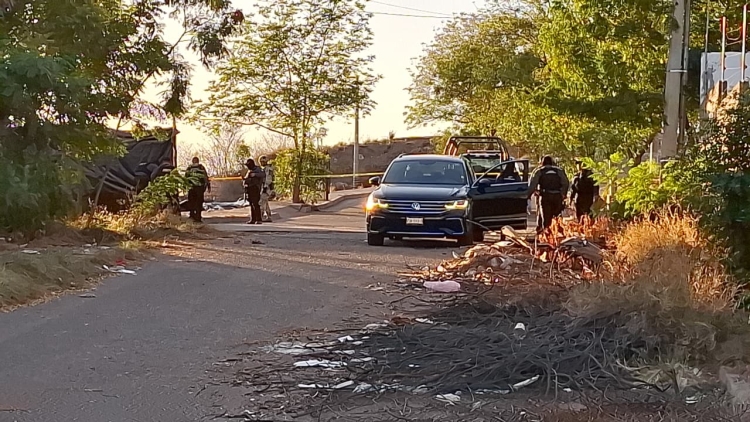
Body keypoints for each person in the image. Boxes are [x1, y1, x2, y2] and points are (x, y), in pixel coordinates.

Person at [528, 156, 569, 233]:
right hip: (557, 197)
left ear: (542, 163)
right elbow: (566, 183)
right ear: (551, 163)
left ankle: (547, 235)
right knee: (557, 218)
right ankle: (557, 234)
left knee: (546, 218)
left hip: (545, 197)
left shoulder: (539, 171)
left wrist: (529, 196)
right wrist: (563, 194)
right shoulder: (559, 171)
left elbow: (532, 185)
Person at [186, 157, 210, 222]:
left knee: (191, 202)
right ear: (198, 161)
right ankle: (198, 217)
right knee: (199, 203)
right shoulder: (201, 168)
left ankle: (192, 215)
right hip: (199, 188)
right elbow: (205, 177)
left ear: (192, 161)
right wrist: (208, 186)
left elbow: (186, 178)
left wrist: (186, 187)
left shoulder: (189, 168)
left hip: (191, 188)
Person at [243, 158, 265, 224]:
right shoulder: (249, 171)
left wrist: (255, 174)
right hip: (249, 189)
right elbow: (246, 178)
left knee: (256, 204)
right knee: (251, 204)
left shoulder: (257, 169)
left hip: (255, 189)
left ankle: (258, 219)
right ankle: (253, 219)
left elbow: (263, 174)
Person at [258, 155, 275, 222]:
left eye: (262, 162)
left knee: (262, 202)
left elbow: (268, 179)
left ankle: (261, 216)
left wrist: (265, 187)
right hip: (264, 187)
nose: (261, 163)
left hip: (266, 188)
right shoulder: (265, 169)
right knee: (265, 202)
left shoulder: (268, 169)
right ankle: (268, 216)